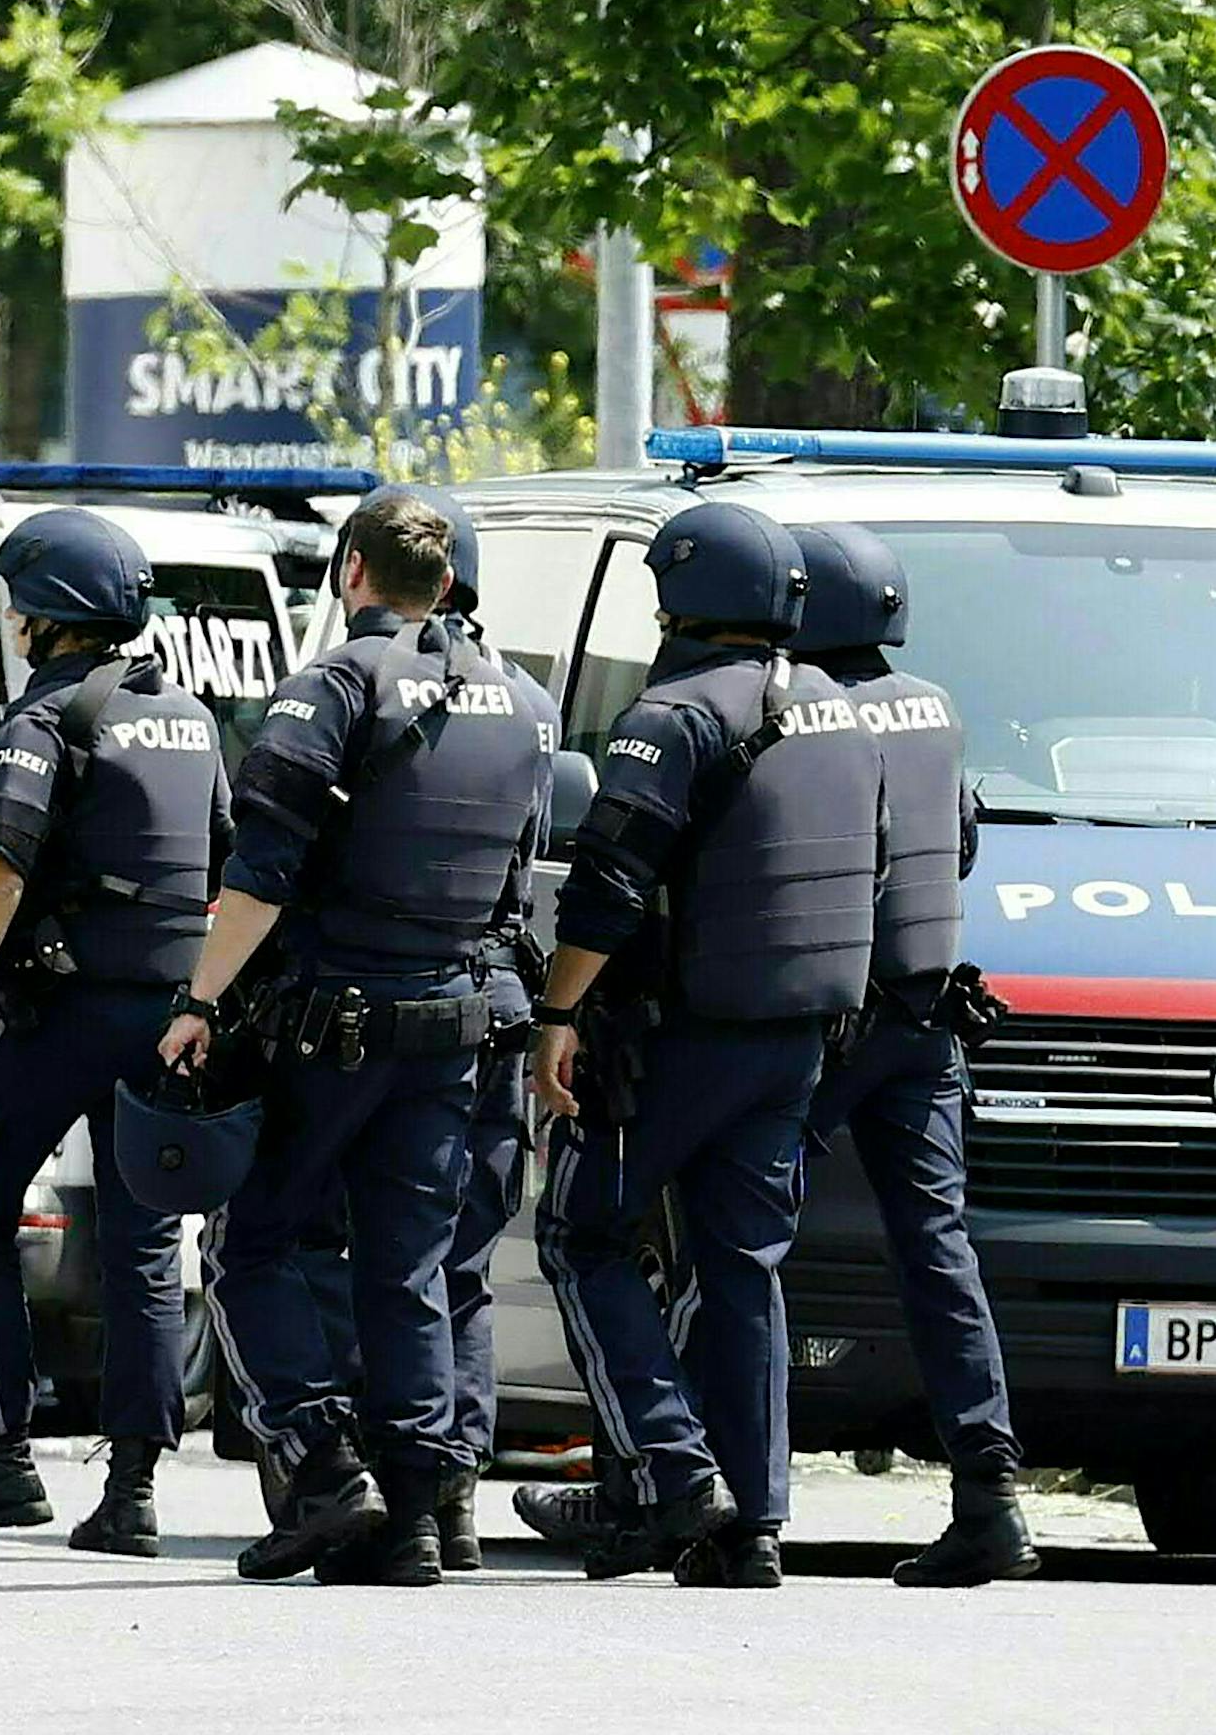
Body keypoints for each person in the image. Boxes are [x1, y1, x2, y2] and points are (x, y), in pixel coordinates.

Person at [158, 488, 546, 1587]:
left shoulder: (334, 682)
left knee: (256, 1241)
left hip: (333, 1021)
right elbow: (518, 871)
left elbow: (259, 871)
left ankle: (322, 1466)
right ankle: (418, 1512)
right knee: (410, 1264)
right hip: (455, 1021)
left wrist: (196, 1003)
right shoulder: (521, 698)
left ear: (349, 574)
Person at [528, 500, 886, 1588]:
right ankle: (753, 1523)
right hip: (799, 1037)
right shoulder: (840, 709)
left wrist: (554, 1016)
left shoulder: (672, 715)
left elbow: (608, 883)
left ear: (684, 594)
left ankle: (673, 1469)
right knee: (740, 1267)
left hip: (676, 1036)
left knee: (579, 1232)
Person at [0, 507, 230, 1555]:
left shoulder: (41, 719)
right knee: (141, 1242)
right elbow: (225, 860)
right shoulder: (188, 716)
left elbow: (0, 869)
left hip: (64, 1009)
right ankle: (132, 1488)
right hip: (170, 1013)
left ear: (43, 615)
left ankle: (3, 1458)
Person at [289, 486, 562, 1572]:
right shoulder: (529, 704)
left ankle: (377, 1476)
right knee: (454, 1257)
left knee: (358, 1250)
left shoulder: (353, 688)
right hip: (490, 1006)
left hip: (380, 1001)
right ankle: (448, 1493)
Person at [777, 522, 1035, 1586]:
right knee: (936, 1252)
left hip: (826, 1021)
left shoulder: (810, 712)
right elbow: (957, 843)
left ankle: (679, 1482)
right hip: (928, 1023)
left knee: (720, 1226)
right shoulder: (935, 707)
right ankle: (990, 1494)